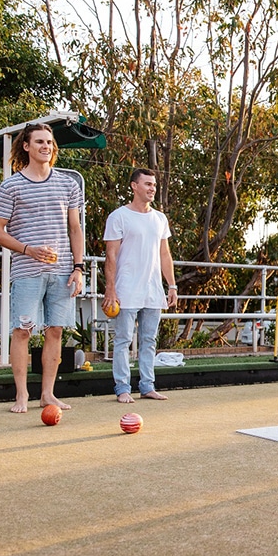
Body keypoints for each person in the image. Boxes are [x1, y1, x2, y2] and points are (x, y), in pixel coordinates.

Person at [0, 122, 85, 413]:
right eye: (40, 141)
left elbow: (75, 229)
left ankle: (48, 395)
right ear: (26, 147)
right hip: (26, 271)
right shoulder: (11, 185)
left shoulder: (69, 184)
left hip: (62, 271)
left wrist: (78, 268)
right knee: (23, 331)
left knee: (55, 331)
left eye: (50, 142)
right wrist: (29, 249)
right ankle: (21, 395)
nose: (46, 146)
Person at [102, 168, 177, 403]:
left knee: (149, 340)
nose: (152, 188)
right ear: (134, 186)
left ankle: (147, 386)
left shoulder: (159, 218)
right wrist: (111, 289)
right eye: (147, 184)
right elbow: (111, 256)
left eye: (154, 184)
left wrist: (172, 286)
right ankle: (122, 388)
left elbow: (165, 254)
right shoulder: (118, 217)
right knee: (123, 340)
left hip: (153, 291)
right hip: (125, 290)